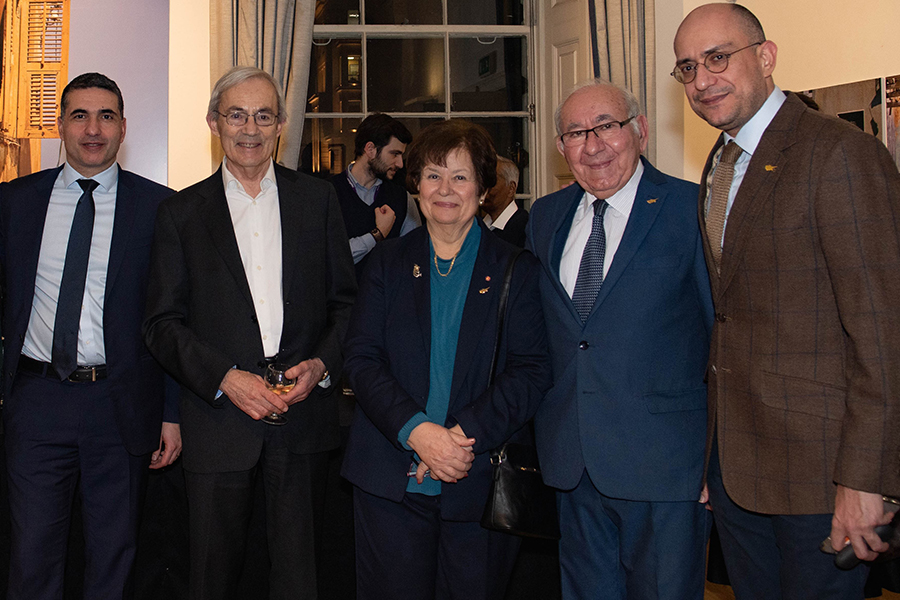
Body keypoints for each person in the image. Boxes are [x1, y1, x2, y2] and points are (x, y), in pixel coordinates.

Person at [673, 4, 900, 599]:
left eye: (718, 58)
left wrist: (866, 480)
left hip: (822, 480)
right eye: (688, 67)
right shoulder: (719, 162)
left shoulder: (839, 155)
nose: (702, 79)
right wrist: (713, 461)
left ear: (766, 57)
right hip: (740, 476)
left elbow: (883, 334)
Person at [142, 66, 356, 600]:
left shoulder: (317, 201)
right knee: (211, 579)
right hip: (217, 426)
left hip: (302, 421)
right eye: (236, 115)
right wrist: (225, 378)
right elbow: (161, 324)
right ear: (213, 122)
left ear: (281, 123)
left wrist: (321, 365)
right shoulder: (180, 213)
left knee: (300, 580)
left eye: (263, 116)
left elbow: (347, 305)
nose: (250, 129)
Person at [340, 119, 552, 600]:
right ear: (415, 184)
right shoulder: (386, 263)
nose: (445, 189)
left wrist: (455, 440)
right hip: (389, 482)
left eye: (460, 176)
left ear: (483, 188)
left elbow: (531, 370)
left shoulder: (516, 268)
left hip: (477, 481)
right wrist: (418, 432)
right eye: (433, 175)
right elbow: (362, 358)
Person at [526, 79, 713, 600]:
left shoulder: (691, 210)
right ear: (561, 147)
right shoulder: (545, 217)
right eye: (576, 133)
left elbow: (724, 340)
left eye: (606, 126)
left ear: (640, 130)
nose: (593, 145)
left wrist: (718, 461)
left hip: (667, 468)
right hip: (572, 464)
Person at [0, 72, 181, 600]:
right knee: (31, 554)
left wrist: (171, 412)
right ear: (60, 125)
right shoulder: (14, 202)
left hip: (120, 405)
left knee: (113, 555)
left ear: (124, 127)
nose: (93, 129)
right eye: (80, 116)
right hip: (36, 400)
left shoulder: (161, 208)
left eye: (106, 116)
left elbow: (173, 319)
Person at [331, 113, 420, 276]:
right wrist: (378, 234)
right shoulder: (327, 193)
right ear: (370, 149)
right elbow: (328, 258)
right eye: (394, 154)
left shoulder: (402, 198)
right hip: (338, 293)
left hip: (387, 292)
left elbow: (413, 257)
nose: (400, 164)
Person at [482, 156, 528, 248]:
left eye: (491, 181)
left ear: (511, 189)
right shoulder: (478, 226)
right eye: (482, 180)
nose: (483, 188)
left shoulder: (525, 229)